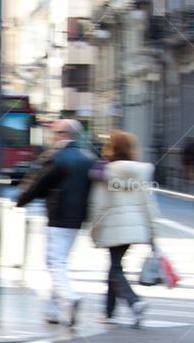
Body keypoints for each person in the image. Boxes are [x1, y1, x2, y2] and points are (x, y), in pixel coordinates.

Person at [15, 118, 95, 326]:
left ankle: (69, 298)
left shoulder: (58, 158)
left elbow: (39, 184)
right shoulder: (88, 158)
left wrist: (21, 200)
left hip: (58, 217)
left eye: (56, 132)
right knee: (60, 260)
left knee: (55, 262)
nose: (52, 137)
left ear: (64, 135)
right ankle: (53, 309)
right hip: (77, 219)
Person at [89, 130, 159, 327]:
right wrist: (153, 231)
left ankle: (135, 302)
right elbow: (148, 203)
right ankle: (109, 312)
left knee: (116, 268)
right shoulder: (142, 172)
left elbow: (99, 204)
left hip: (113, 226)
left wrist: (94, 229)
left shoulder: (105, 171)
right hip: (135, 227)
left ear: (112, 147)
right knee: (115, 267)